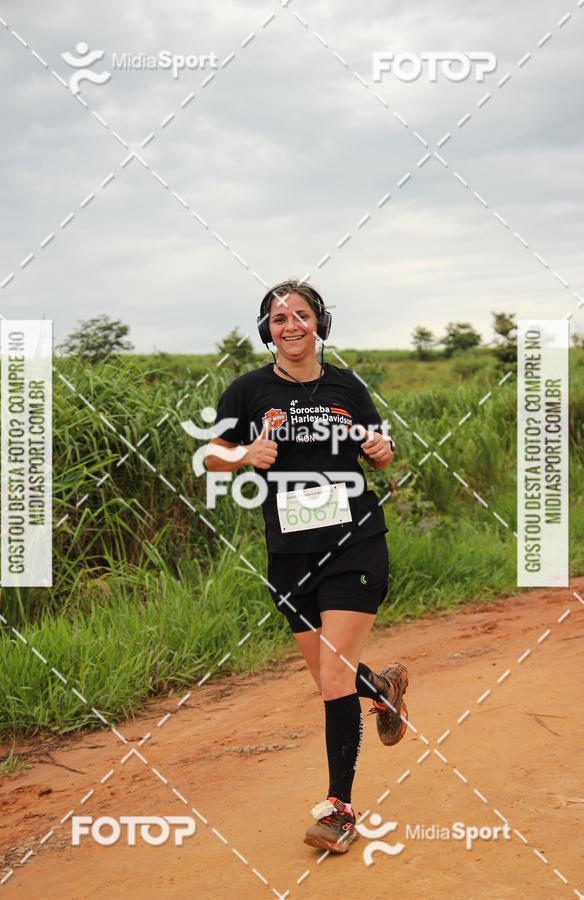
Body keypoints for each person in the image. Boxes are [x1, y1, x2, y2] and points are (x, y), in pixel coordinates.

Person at [205, 279, 408, 854]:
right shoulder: (248, 391)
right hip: (289, 551)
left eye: (300, 315)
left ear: (318, 323)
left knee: (334, 680)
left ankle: (339, 808)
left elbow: (380, 444)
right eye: (278, 318)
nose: (290, 325)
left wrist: (381, 450)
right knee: (329, 675)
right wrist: (246, 455)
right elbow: (213, 455)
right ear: (267, 329)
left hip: (354, 541)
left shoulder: (346, 385)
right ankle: (385, 688)